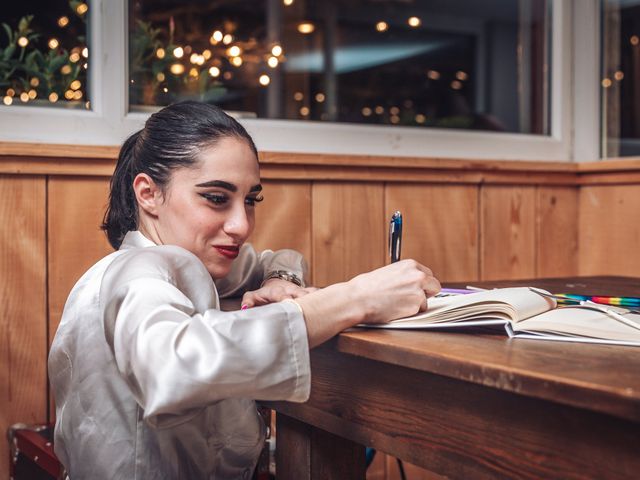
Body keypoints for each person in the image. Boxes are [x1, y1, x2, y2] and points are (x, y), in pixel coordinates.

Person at [48, 101, 441, 479]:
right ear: (149, 193)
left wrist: (280, 282)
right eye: (216, 198)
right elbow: (171, 368)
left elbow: (278, 258)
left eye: (250, 199)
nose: (242, 225)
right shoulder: (137, 271)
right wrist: (354, 299)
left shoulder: (188, 261)